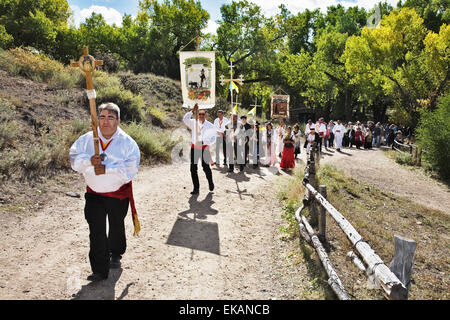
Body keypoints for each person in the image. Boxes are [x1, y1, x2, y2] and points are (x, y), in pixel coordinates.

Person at [69, 102, 140, 282]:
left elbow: (130, 170)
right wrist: (88, 161)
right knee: (96, 231)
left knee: (116, 225)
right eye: (102, 117)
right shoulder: (86, 139)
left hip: (117, 194)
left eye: (110, 117)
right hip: (94, 194)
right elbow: (74, 160)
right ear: (97, 119)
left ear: (118, 120)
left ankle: (115, 253)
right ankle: (99, 270)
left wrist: (107, 168)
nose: (105, 121)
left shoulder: (127, 143)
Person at [183, 104, 216, 194]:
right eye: (199, 114)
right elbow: (185, 119)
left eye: (203, 114)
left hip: (204, 148)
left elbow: (213, 139)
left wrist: (204, 142)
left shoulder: (210, 126)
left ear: (206, 114)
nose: (201, 116)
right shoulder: (193, 122)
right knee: (193, 168)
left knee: (205, 167)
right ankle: (196, 188)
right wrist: (192, 110)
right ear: (197, 114)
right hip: (194, 148)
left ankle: (210, 182)